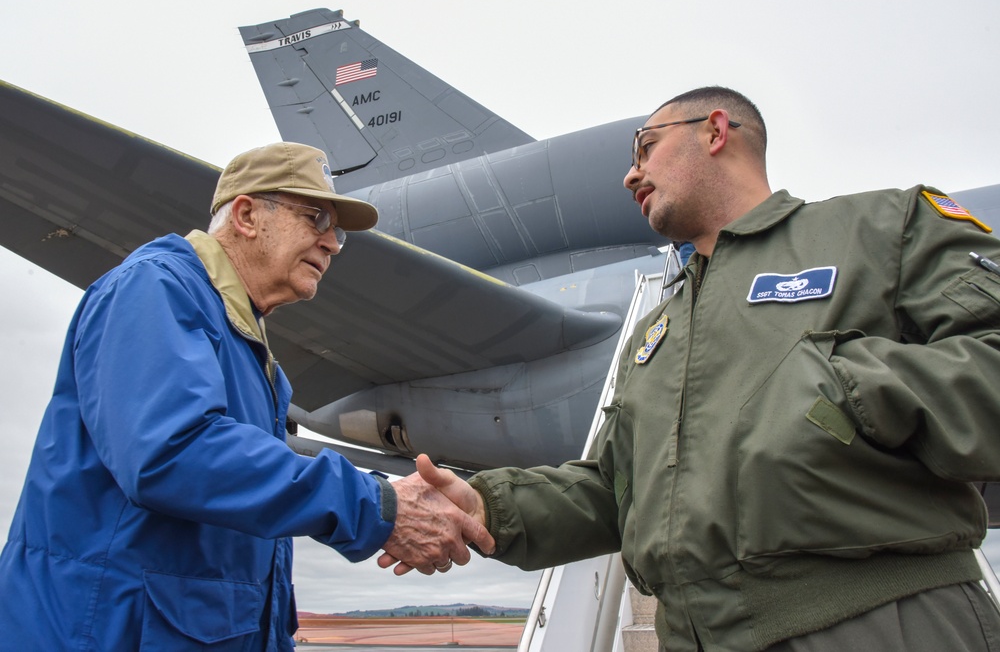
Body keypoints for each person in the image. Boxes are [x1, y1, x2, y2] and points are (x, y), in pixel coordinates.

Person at [388, 87, 1000, 651]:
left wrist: (834, 391)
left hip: (879, 620)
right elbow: (611, 491)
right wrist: (487, 505)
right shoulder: (656, 335)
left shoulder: (883, 228)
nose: (630, 173)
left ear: (714, 131)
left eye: (647, 148)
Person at [0, 142, 492, 650]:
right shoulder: (155, 288)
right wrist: (377, 504)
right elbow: (173, 452)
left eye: (338, 230)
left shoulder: (248, 351)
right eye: (316, 217)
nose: (333, 244)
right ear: (247, 215)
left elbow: (245, 507)